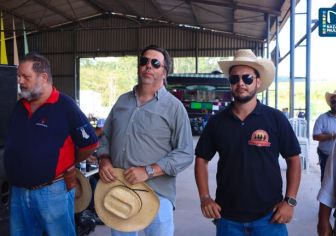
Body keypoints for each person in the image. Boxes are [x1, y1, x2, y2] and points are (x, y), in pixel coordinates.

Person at [194, 49, 302, 236]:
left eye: (247, 78)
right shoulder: (217, 122)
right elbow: (201, 159)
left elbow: (294, 159)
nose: (241, 83)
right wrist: (205, 198)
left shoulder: (275, 118)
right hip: (227, 218)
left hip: (270, 217)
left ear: (258, 82)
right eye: (234, 79)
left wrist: (290, 201)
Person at [96, 44, 194, 236]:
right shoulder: (122, 101)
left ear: (165, 73)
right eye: (144, 61)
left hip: (157, 194)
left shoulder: (174, 108)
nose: (148, 66)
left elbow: (185, 152)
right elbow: (105, 136)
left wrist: (149, 171)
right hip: (120, 191)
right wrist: (104, 159)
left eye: (155, 63)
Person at [3, 52, 99, 236]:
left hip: (52, 191)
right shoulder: (19, 106)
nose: (20, 81)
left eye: (26, 77)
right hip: (18, 193)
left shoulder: (65, 106)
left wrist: (68, 162)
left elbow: (90, 144)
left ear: (44, 77)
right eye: (19, 76)